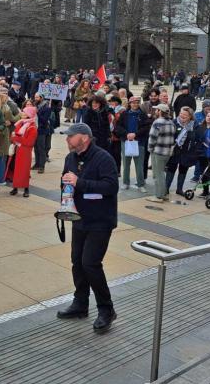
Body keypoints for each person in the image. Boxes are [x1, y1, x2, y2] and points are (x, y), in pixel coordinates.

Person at [56, 122, 119, 333]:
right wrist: (65, 188)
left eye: (70, 137)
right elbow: (67, 182)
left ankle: (106, 309)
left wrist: (79, 182)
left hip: (100, 220)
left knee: (91, 263)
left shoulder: (103, 158)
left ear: (83, 137)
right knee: (77, 262)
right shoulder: (70, 158)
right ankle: (80, 303)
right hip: (79, 218)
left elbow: (111, 187)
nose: (67, 140)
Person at [116, 96, 150, 192]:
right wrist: (126, 134)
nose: (135, 104)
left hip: (139, 142)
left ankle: (140, 184)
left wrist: (136, 134)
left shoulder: (143, 115)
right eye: (133, 103)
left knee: (139, 164)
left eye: (137, 102)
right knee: (126, 163)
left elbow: (146, 127)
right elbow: (118, 127)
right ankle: (126, 182)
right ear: (129, 104)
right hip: (126, 141)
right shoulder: (124, 114)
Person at [165, 107, 197, 197]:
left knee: (183, 170)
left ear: (190, 116)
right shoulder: (174, 122)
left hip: (186, 151)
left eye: (185, 115)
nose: (182, 116)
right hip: (174, 150)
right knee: (171, 169)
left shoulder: (194, 125)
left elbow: (197, 137)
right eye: (181, 113)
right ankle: (166, 188)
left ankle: (179, 189)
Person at [147, 104, 175, 202]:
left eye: (157, 110)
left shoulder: (157, 122)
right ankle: (163, 194)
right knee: (161, 173)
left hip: (158, 152)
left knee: (157, 174)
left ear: (160, 111)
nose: (155, 111)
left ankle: (158, 196)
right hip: (167, 153)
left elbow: (152, 138)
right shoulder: (171, 122)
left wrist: (150, 149)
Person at [9, 105, 38, 197]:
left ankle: (26, 188)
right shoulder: (20, 123)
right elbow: (13, 137)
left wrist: (17, 137)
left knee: (24, 171)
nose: (22, 113)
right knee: (15, 170)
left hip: (25, 152)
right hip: (18, 150)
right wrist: (15, 138)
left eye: (24, 112)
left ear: (29, 114)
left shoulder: (32, 127)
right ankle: (15, 187)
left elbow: (29, 142)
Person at [33, 93, 52, 174]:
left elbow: (44, 120)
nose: (35, 98)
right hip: (34, 130)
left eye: (37, 97)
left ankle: (41, 166)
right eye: (35, 97)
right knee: (36, 148)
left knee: (41, 148)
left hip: (42, 130)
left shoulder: (46, 108)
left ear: (41, 98)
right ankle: (37, 164)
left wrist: (37, 113)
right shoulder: (35, 106)